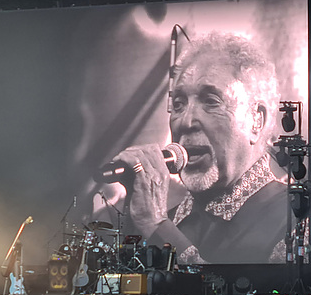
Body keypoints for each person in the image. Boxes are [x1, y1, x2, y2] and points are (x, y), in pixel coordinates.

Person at [109, 32, 287, 264]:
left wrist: (157, 226)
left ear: (256, 120)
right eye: (179, 104)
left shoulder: (294, 218)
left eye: (211, 101)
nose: (185, 121)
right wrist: (136, 220)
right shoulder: (166, 221)